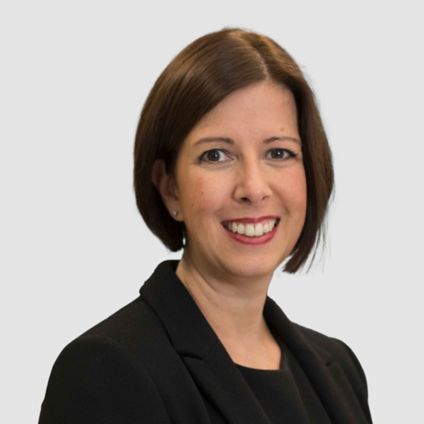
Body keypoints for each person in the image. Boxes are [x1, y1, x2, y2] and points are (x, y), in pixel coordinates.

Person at [38, 28, 373, 423]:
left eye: (279, 153)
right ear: (170, 188)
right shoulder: (106, 369)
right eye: (216, 155)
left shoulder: (339, 369)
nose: (253, 188)